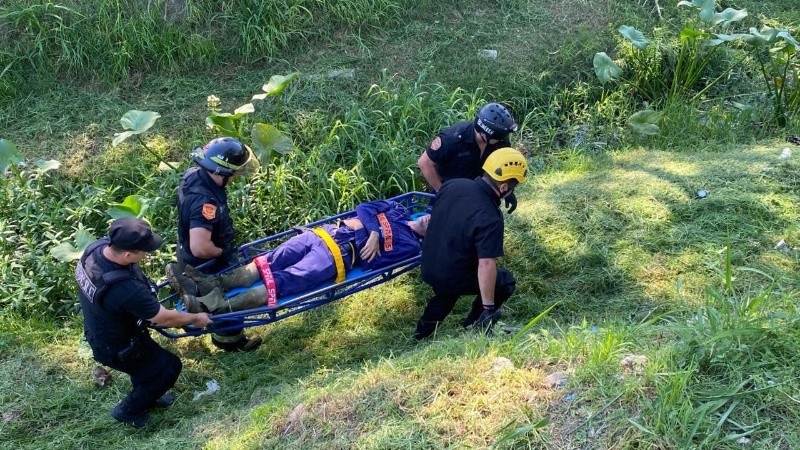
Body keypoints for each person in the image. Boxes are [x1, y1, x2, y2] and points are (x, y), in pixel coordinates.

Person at [172, 199, 430, 314]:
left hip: (337, 256)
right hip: (322, 234)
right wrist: (373, 231)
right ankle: (209, 285)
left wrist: (367, 229)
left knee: (283, 281)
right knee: (269, 261)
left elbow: (374, 261)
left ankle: (215, 306)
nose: (431, 217)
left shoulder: (409, 246)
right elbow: (364, 208)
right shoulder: (398, 210)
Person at [75, 218, 212, 428]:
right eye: (144, 251)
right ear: (128, 255)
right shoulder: (124, 288)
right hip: (117, 345)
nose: (147, 254)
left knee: (146, 368)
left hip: (106, 329)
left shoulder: (97, 250)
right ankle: (128, 410)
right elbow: (164, 318)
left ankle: (149, 396)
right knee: (167, 368)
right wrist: (196, 319)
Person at [413, 147, 528, 339]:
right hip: (450, 274)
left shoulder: (452, 185)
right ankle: (476, 323)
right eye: (513, 187)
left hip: (429, 264)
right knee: (505, 280)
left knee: (447, 292)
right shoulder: (491, 217)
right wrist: (488, 307)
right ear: (504, 187)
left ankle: (420, 334)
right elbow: (486, 263)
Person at [170, 136, 262, 352]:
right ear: (221, 172)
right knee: (225, 299)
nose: (234, 178)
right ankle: (232, 344)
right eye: (233, 174)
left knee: (215, 295)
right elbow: (201, 247)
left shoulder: (194, 175)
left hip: (185, 253)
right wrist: (223, 251)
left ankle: (202, 308)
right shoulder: (205, 202)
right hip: (206, 261)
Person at [417, 102, 520, 212]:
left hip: (477, 192)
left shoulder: (500, 141)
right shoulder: (453, 139)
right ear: (485, 133)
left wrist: (508, 192)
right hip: (449, 190)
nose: (503, 139)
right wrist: (441, 191)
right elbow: (424, 163)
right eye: (499, 137)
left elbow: (502, 166)